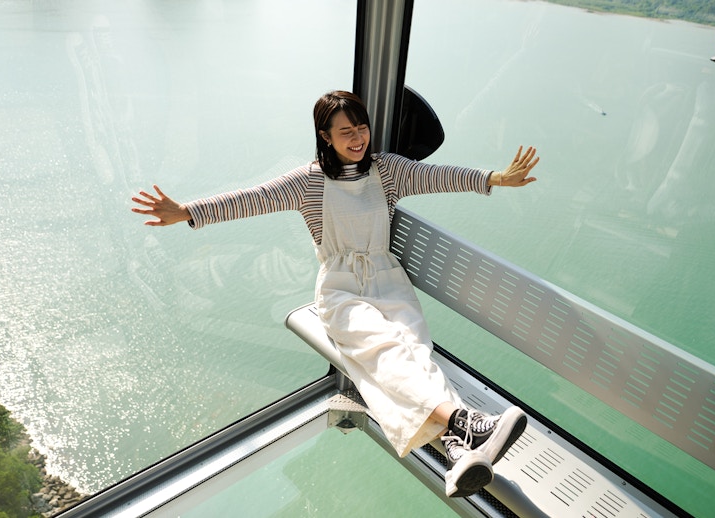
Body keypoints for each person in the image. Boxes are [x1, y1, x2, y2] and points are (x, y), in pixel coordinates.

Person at [132, 90, 539, 498]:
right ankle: (465, 424)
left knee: (412, 352)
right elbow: (250, 199)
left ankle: (457, 451)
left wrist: (496, 178)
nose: (357, 137)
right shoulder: (307, 182)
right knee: (385, 350)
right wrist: (186, 211)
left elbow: (441, 176)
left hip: (388, 281)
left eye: (361, 127)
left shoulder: (389, 171)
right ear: (325, 136)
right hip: (341, 289)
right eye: (346, 131)